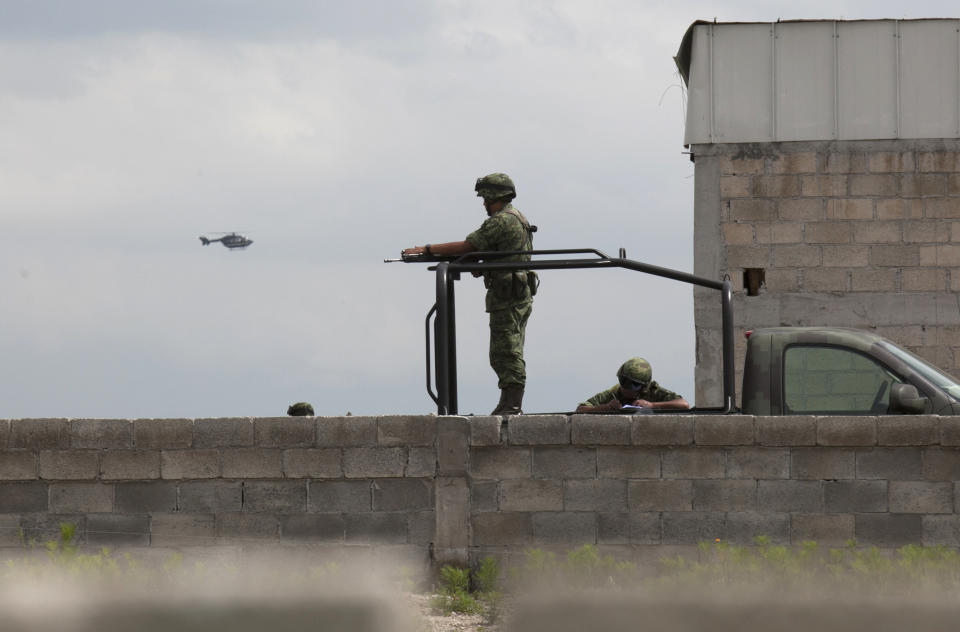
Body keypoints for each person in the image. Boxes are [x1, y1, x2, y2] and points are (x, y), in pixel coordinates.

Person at [403, 173, 537, 415]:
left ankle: (512, 405)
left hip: (507, 296)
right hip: (515, 293)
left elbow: (468, 246)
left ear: (496, 196)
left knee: (505, 350)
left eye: (486, 198)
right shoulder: (517, 218)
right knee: (508, 348)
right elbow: (503, 253)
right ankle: (510, 403)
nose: (484, 203)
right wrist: (483, 264)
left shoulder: (502, 220)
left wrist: (426, 249)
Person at [575, 357, 690, 413]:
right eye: (624, 381)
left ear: (644, 386)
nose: (627, 389)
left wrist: (652, 405)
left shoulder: (653, 391)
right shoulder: (614, 393)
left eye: (634, 385)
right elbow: (581, 409)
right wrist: (607, 407)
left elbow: (683, 404)